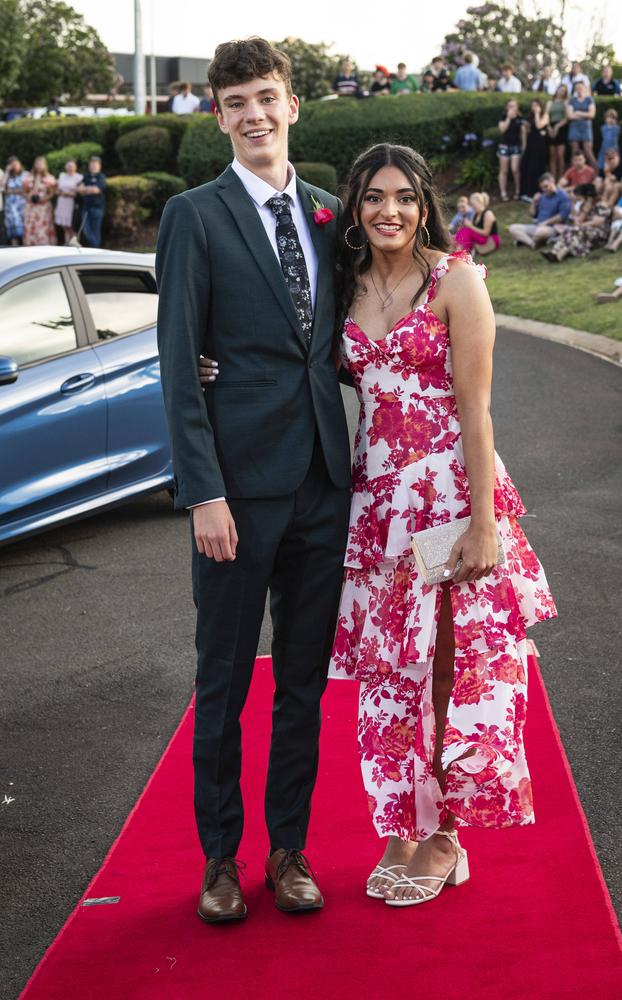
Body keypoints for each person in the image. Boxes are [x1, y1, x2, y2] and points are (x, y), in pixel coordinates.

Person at [327, 142, 556, 905]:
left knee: (451, 668)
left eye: (402, 197)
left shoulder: (456, 281)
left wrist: (484, 524)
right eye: (372, 197)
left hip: (450, 500)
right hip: (379, 509)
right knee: (395, 672)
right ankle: (406, 821)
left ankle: (447, 838)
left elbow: (476, 411)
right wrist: (212, 366)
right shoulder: (346, 287)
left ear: (423, 203)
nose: (388, 211)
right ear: (355, 207)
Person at [157, 37, 351, 924]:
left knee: (303, 683)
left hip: (323, 485)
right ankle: (220, 860)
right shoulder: (194, 215)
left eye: (267, 97)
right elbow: (175, 363)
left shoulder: (326, 212)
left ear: (293, 105)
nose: (255, 115)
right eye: (237, 102)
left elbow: (348, 337)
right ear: (219, 116)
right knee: (225, 684)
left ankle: (289, 849)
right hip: (234, 495)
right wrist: (203, 492)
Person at [540, 183, 611, 261]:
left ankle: (560, 255)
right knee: (571, 232)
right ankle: (554, 252)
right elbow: (578, 221)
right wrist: (584, 211)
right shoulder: (585, 205)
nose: (580, 199)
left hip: (600, 232)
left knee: (574, 231)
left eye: (581, 197)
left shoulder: (602, 205)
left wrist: (582, 225)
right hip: (587, 230)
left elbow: (598, 222)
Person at [508, 172, 571, 248]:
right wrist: (533, 203)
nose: (544, 190)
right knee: (512, 228)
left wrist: (546, 222)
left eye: (546, 186)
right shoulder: (542, 196)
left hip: (553, 227)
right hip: (538, 225)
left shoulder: (563, 196)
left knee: (540, 232)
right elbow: (532, 214)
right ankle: (532, 243)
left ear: (552, 182)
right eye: (542, 188)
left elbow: (562, 216)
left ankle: (524, 240)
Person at [519, 98, 550, 200]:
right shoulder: (529, 117)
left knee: (536, 168)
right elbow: (528, 130)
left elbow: (539, 125)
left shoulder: (545, 116)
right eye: (533, 106)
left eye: (536, 105)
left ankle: (536, 192)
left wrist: (537, 114)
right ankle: (525, 192)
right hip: (530, 143)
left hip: (540, 144)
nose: (534, 108)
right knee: (527, 167)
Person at [497, 98, 526, 201]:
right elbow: (502, 129)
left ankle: (518, 191)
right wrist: (508, 118)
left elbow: (523, 133)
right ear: (506, 107)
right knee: (504, 170)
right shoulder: (503, 117)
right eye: (509, 106)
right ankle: (503, 192)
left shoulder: (520, 118)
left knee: (515, 169)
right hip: (504, 146)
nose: (511, 108)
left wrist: (524, 146)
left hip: (516, 146)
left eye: (513, 106)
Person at [22, 156, 56, 246]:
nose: (39, 165)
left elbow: (52, 193)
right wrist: (29, 197)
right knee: (30, 226)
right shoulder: (28, 177)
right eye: (38, 163)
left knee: (43, 227)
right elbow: (24, 191)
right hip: (31, 206)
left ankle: (44, 246)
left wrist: (43, 199)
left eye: (41, 163)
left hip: (43, 207)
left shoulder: (49, 178)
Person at [453, 191, 500, 255]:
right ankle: (459, 249)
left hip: (490, 239)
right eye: (471, 205)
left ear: (479, 202)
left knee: (467, 230)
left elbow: (486, 233)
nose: (472, 207)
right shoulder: (476, 214)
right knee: (463, 230)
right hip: (481, 238)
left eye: (473, 204)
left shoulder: (488, 213)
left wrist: (470, 226)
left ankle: (461, 251)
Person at [77, 155, 107, 248]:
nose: (93, 166)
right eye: (91, 164)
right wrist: (88, 189)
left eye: (95, 164)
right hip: (85, 207)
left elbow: (96, 190)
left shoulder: (101, 177)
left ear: (99, 166)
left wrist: (85, 189)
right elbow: (79, 189)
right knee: (86, 230)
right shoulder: (85, 176)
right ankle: (93, 249)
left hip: (97, 208)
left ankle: (95, 249)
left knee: (95, 231)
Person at [567, 80, 596, 166]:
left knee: (588, 151)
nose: (579, 89)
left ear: (584, 88)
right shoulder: (572, 100)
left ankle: (597, 174)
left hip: (586, 128)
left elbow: (592, 114)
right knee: (574, 152)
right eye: (577, 88)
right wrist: (585, 115)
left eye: (581, 87)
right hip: (574, 128)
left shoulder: (589, 100)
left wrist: (578, 113)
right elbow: (570, 116)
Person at [54, 159, 83, 244]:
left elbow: (80, 192)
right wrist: (60, 193)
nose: (70, 168)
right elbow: (56, 190)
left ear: (75, 167)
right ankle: (67, 243)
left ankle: (75, 243)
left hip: (72, 203)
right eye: (68, 166)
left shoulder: (79, 177)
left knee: (72, 225)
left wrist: (69, 194)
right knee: (64, 225)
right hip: (62, 202)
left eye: (72, 166)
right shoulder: (62, 175)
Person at [1, 156, 27, 245]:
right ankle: (14, 247)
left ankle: (24, 245)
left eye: (16, 164)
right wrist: (7, 172)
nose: (14, 166)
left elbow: (26, 189)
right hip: (10, 207)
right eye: (12, 165)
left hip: (21, 205)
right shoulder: (8, 176)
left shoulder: (25, 174)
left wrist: (11, 191)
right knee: (11, 228)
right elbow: (2, 187)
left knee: (23, 227)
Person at [546, 83, 570, 181]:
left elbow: (567, 117)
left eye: (564, 90)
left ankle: (561, 178)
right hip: (550, 127)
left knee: (560, 155)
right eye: (560, 89)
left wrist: (557, 126)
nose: (561, 91)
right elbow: (547, 115)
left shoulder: (566, 102)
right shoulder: (550, 103)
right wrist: (548, 127)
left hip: (561, 128)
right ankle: (553, 178)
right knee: (552, 155)